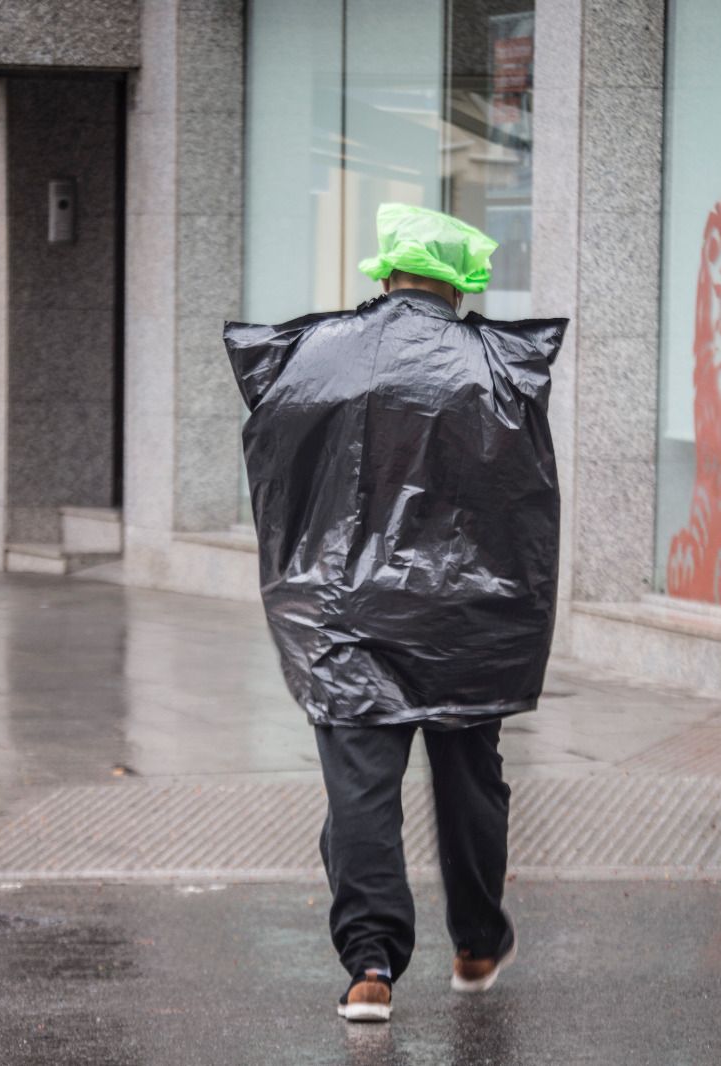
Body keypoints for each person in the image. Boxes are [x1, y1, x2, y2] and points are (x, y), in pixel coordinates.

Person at [224, 203, 568, 1023]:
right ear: (460, 286)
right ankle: (480, 941)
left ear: (384, 272)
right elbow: (523, 507)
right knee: (470, 784)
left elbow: (281, 482)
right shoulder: (495, 365)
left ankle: (370, 967)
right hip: (468, 619)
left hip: (345, 614)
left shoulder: (313, 356)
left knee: (360, 793)